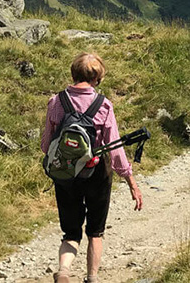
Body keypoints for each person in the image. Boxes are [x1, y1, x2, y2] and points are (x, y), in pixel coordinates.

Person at [41, 53, 143, 283]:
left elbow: (46, 145)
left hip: (65, 174)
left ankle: (64, 271)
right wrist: (131, 183)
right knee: (95, 232)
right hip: (96, 173)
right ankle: (92, 277)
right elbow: (115, 151)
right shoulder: (104, 105)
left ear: (73, 74)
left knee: (71, 232)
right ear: (97, 78)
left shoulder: (56, 102)